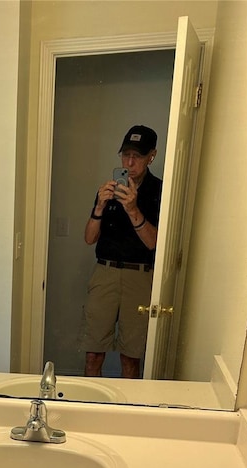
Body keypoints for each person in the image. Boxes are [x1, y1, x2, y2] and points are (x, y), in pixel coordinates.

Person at [78, 125, 162, 379]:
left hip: (139, 277)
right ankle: (88, 412)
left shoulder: (160, 191)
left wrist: (133, 208)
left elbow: (154, 243)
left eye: (137, 156)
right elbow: (89, 238)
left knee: (131, 357)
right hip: (105, 273)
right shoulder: (109, 190)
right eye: (125, 155)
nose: (130, 162)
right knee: (93, 354)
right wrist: (100, 205)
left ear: (152, 156)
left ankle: (128, 414)